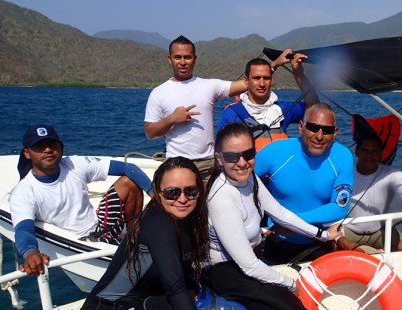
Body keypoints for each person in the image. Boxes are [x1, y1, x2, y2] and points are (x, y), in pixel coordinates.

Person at [205, 122, 342, 310]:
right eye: (232, 157)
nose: (242, 163)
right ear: (219, 159)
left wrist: (323, 235)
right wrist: (289, 284)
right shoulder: (222, 199)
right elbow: (248, 265)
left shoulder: (249, 179)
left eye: (248, 154)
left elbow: (281, 214)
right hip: (229, 274)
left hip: (253, 262)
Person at [72, 157, 216, 310]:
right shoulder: (158, 222)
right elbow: (174, 288)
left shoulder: (190, 220)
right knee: (165, 309)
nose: (182, 199)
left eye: (191, 191)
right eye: (172, 192)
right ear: (157, 193)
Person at [10, 124, 152, 276]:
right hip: (84, 240)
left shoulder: (74, 164)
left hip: (100, 226)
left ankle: (134, 240)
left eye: (52, 144)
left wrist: (155, 193)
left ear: (60, 147)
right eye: (39, 146)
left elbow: (127, 168)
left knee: (129, 182)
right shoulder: (24, 192)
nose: (47, 150)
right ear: (27, 153)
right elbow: (23, 229)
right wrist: (30, 252)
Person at [254, 102, 354, 264]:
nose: (319, 136)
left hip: (317, 241)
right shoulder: (274, 151)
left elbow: (339, 207)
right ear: (301, 127)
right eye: (313, 127)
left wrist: (291, 222)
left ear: (335, 133)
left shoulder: (343, 156)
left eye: (327, 130)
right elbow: (242, 183)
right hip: (276, 239)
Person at [144, 35, 247, 182]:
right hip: (177, 165)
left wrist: (275, 63)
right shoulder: (158, 93)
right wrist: (172, 119)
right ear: (170, 59)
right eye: (177, 57)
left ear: (195, 59)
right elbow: (150, 132)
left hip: (208, 164)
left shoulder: (209, 86)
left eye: (187, 57)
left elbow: (248, 84)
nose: (182, 62)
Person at [216, 49, 318, 152]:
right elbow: (221, 151)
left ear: (271, 80)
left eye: (266, 78)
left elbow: (315, 109)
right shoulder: (231, 113)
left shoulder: (283, 109)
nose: (262, 84)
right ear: (246, 81)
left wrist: (299, 75)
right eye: (256, 78)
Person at [344, 133, 402, 251]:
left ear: (380, 154)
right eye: (365, 150)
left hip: (380, 230)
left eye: (374, 151)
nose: (369, 155)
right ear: (357, 151)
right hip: (349, 230)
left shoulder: (392, 174)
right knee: (336, 246)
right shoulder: (344, 175)